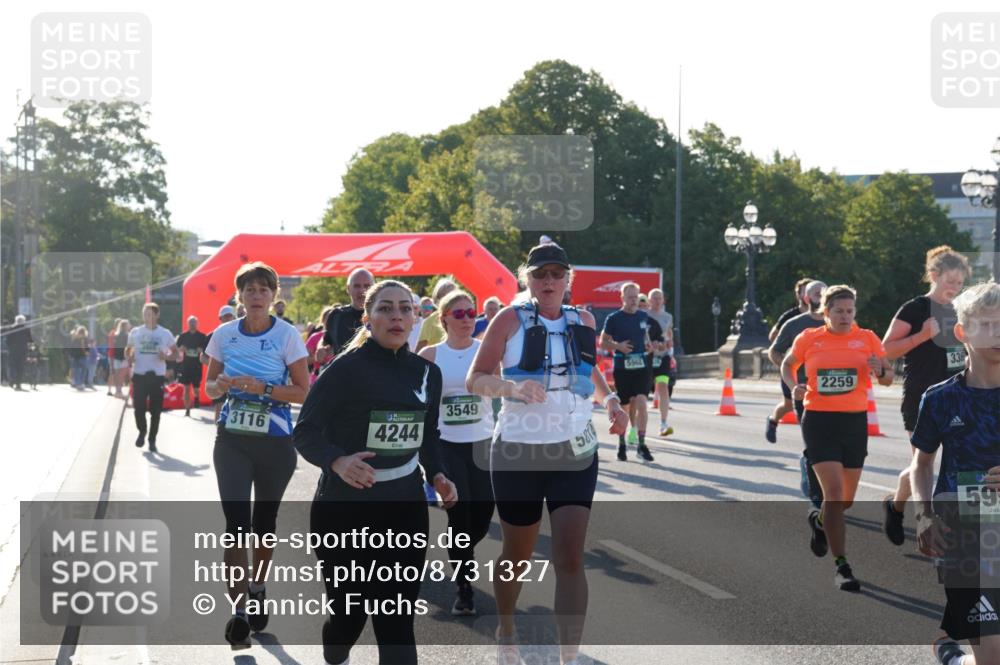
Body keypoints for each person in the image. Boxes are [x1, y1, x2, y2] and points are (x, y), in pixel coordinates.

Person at [467, 243, 628, 665]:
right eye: (540, 274)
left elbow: (587, 370)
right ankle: (506, 628)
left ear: (568, 278)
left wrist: (611, 400)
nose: (549, 281)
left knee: (570, 556)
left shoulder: (584, 320)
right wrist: (511, 388)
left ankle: (566, 658)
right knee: (517, 554)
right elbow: (475, 378)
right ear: (528, 279)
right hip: (518, 451)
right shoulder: (508, 319)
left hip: (574, 450)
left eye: (557, 273)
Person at [293, 279, 458, 665]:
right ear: (368, 319)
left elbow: (428, 435)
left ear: (416, 318)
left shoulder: (427, 373)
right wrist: (338, 461)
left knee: (396, 620)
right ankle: (336, 648)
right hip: (344, 509)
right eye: (385, 308)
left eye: (405, 308)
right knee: (348, 617)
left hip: (404, 506)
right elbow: (305, 432)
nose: (396, 316)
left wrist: (438, 474)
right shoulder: (344, 369)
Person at [204, 262, 310, 649]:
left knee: (264, 524)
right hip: (232, 440)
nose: (256, 295)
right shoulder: (223, 334)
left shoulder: (287, 335)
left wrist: (262, 388)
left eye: (264, 289)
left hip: (275, 442)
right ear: (240, 295)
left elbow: (303, 391)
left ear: (273, 295)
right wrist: (221, 385)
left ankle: (258, 585)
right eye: (249, 289)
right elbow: (209, 388)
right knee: (236, 525)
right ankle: (239, 612)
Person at [907, 282, 1000, 665]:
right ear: (962, 332)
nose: (997, 333)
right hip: (966, 537)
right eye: (987, 325)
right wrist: (924, 515)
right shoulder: (940, 399)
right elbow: (921, 463)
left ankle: (954, 659)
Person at [781, 285, 894, 591]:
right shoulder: (809, 338)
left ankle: (819, 521)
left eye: (850, 311)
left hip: (854, 423)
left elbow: (888, 378)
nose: (845, 316)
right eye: (839, 311)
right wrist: (794, 386)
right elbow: (788, 363)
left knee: (844, 501)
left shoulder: (867, 338)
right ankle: (842, 566)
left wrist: (880, 370)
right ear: (826, 312)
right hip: (819, 421)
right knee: (832, 493)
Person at [881, 246, 971, 547]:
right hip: (922, 398)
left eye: (960, 283)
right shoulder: (915, 309)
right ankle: (897, 507)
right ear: (934, 275)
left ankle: (964, 526)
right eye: (950, 281)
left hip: (960, 397)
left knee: (965, 462)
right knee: (923, 462)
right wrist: (921, 336)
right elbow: (886, 350)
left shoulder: (962, 310)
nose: (955, 287)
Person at [418, 289, 496, 617]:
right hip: (445, 444)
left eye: (471, 313)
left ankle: (461, 548)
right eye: (459, 313)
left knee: (483, 514)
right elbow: (417, 400)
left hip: (483, 443)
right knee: (459, 512)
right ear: (444, 318)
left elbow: (503, 388)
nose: (467, 319)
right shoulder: (430, 355)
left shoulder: (487, 352)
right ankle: (464, 586)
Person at [768, 280, 828, 508]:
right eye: (816, 292)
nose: (821, 294)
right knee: (815, 443)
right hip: (805, 393)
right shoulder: (795, 325)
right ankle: (817, 495)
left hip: (836, 395)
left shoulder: (839, 323)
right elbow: (774, 352)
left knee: (835, 444)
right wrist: (792, 378)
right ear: (806, 298)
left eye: (824, 291)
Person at [600, 282, 663, 462]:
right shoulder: (614, 318)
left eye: (636, 297)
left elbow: (647, 338)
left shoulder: (643, 316)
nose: (634, 300)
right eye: (630, 297)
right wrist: (618, 346)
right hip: (622, 367)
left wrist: (650, 346)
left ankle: (642, 445)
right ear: (622, 298)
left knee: (642, 401)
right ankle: (621, 443)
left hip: (642, 366)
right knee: (625, 406)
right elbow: (603, 342)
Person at [126, 303, 176, 452]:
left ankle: (152, 440)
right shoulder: (136, 332)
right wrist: (129, 356)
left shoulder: (165, 333)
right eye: (145, 314)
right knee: (138, 408)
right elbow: (128, 350)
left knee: (156, 411)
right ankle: (142, 431)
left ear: (157, 315)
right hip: (140, 375)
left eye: (149, 314)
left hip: (157, 376)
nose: (146, 317)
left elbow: (175, 353)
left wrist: (166, 356)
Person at [767, 277, 814, 436]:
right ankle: (773, 420)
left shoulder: (827, 317)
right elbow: (773, 336)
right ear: (800, 295)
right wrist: (789, 349)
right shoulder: (790, 317)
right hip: (793, 368)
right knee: (789, 404)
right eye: (806, 291)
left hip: (815, 372)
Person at [316, 268, 374, 364]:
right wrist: (321, 348)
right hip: (342, 371)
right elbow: (326, 340)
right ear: (348, 289)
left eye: (367, 286)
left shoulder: (383, 315)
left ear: (374, 289)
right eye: (356, 286)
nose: (362, 290)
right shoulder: (336, 315)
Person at [646, 288, 675, 436]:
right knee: (642, 392)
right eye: (654, 298)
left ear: (663, 300)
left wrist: (669, 344)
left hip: (662, 357)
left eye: (659, 298)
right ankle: (637, 425)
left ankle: (663, 423)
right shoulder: (644, 316)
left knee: (663, 386)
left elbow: (669, 333)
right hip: (647, 357)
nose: (657, 301)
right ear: (649, 300)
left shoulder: (668, 316)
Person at [202, 305, 237, 422]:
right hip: (220, 378)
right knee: (219, 404)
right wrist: (217, 366)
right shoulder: (213, 335)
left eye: (230, 316)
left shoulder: (240, 334)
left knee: (235, 405)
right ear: (220, 318)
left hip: (236, 378)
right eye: (225, 317)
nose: (228, 319)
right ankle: (218, 427)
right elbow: (203, 358)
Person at [176, 316, 209, 417]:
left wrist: (201, 350)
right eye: (190, 322)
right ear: (188, 324)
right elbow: (176, 348)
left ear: (197, 323)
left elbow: (207, 350)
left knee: (196, 388)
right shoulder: (183, 336)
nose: (192, 324)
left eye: (194, 322)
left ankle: (196, 398)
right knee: (186, 388)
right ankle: (187, 409)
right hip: (186, 365)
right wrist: (181, 349)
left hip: (196, 366)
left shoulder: (202, 336)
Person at [416, 278, 457, 352]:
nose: (449, 299)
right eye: (445, 296)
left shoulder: (463, 317)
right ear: (437, 298)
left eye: (453, 295)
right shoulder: (430, 321)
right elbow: (419, 352)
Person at [2, 315, 33, 391]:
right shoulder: (26, 329)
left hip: (13, 350)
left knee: (12, 366)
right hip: (23, 350)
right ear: (23, 321)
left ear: (16, 321)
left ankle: (12, 381)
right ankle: (18, 384)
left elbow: (7, 340)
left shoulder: (11, 328)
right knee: (20, 367)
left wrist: (10, 347)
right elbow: (30, 340)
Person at [109, 319, 130, 398]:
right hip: (124, 358)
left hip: (116, 357)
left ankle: (117, 391)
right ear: (125, 326)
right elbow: (128, 347)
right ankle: (119, 391)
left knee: (117, 375)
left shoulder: (116, 335)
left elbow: (113, 346)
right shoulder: (127, 335)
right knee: (122, 376)